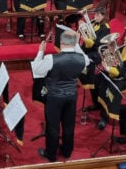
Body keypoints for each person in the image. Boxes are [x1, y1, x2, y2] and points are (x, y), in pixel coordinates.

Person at [32, 30, 90, 162]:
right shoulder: (83, 58)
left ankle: (51, 154)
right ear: (74, 43)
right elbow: (84, 60)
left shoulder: (51, 59)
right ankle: (67, 151)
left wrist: (41, 51)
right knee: (69, 125)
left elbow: (36, 69)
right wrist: (77, 44)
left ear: (61, 43)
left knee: (53, 126)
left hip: (54, 97)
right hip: (72, 96)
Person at [96, 29, 126, 129]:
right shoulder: (125, 46)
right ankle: (101, 108)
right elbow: (118, 60)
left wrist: (108, 68)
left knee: (112, 89)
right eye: (125, 40)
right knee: (99, 80)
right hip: (117, 72)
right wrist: (110, 56)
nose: (124, 43)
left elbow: (124, 71)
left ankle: (107, 116)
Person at [78, 6, 110, 110]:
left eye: (97, 15)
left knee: (86, 65)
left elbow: (100, 42)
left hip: (96, 53)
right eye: (95, 14)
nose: (95, 16)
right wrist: (82, 25)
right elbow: (86, 31)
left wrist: (89, 40)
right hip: (88, 49)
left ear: (103, 16)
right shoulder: (93, 22)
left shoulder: (105, 28)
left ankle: (87, 80)